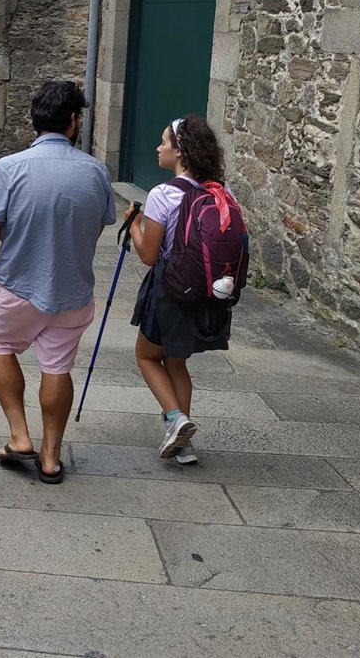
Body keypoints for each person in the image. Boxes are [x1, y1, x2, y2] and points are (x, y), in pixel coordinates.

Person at [0, 81, 114, 484]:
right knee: (57, 368)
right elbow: (96, 228)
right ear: (73, 121)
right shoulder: (96, 171)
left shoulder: (9, 168)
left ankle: (20, 435)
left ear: (35, 120)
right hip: (72, 293)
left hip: (15, 286)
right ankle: (51, 458)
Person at [127, 115, 235, 466]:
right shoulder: (222, 193)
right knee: (176, 362)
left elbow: (149, 256)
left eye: (164, 142)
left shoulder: (163, 194)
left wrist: (133, 226)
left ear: (180, 151)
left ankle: (175, 419)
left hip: (170, 291)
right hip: (205, 292)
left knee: (146, 356)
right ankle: (183, 444)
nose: (158, 148)